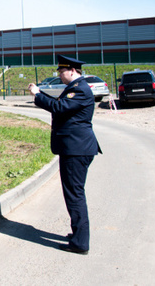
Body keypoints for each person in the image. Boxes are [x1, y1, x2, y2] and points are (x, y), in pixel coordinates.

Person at [27, 55, 101, 255]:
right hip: (75, 148)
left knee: (75, 195)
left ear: (73, 71)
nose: (59, 75)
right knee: (74, 194)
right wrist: (41, 94)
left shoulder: (80, 89)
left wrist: (37, 95)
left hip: (76, 150)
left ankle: (80, 242)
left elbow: (60, 108)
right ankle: (78, 234)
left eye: (62, 71)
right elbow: (61, 105)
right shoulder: (75, 89)